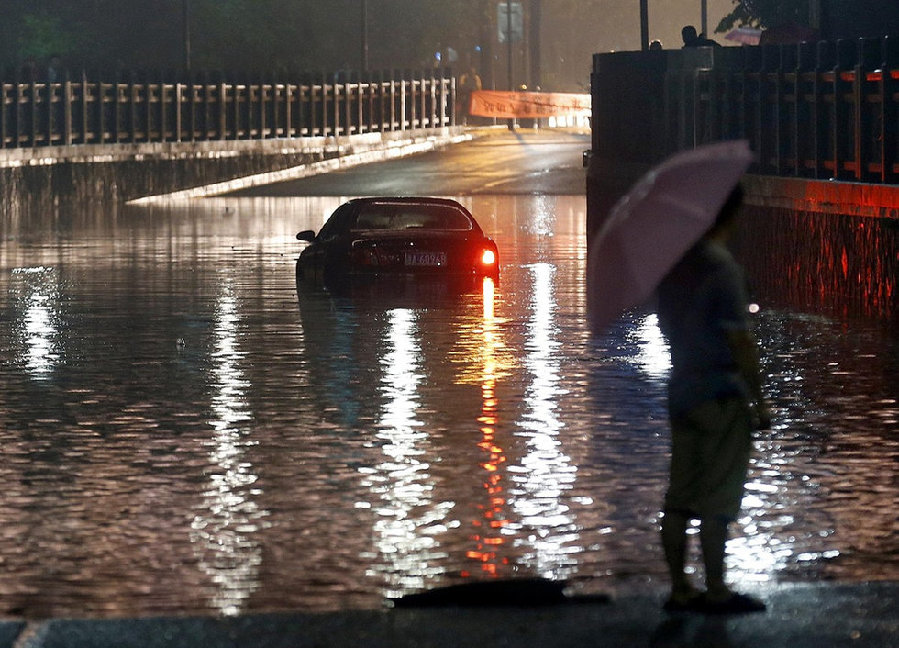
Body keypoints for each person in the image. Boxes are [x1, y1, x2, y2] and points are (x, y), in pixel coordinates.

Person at [656, 185, 771, 615]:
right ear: (732, 215)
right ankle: (717, 590)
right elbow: (740, 340)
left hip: (681, 389)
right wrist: (759, 401)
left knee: (679, 494)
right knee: (717, 500)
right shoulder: (722, 269)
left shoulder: (674, 268)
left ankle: (680, 588)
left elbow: (667, 328)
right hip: (720, 394)